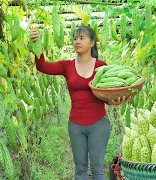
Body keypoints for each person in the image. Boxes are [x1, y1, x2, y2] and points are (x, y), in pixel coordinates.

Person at [30, 25, 131, 180]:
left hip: (99, 124)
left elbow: (107, 94)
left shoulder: (101, 66)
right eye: (75, 38)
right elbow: (42, 66)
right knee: (80, 169)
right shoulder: (67, 65)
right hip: (75, 125)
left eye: (82, 38)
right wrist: (38, 44)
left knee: (97, 169)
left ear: (92, 43)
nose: (77, 41)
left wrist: (116, 101)